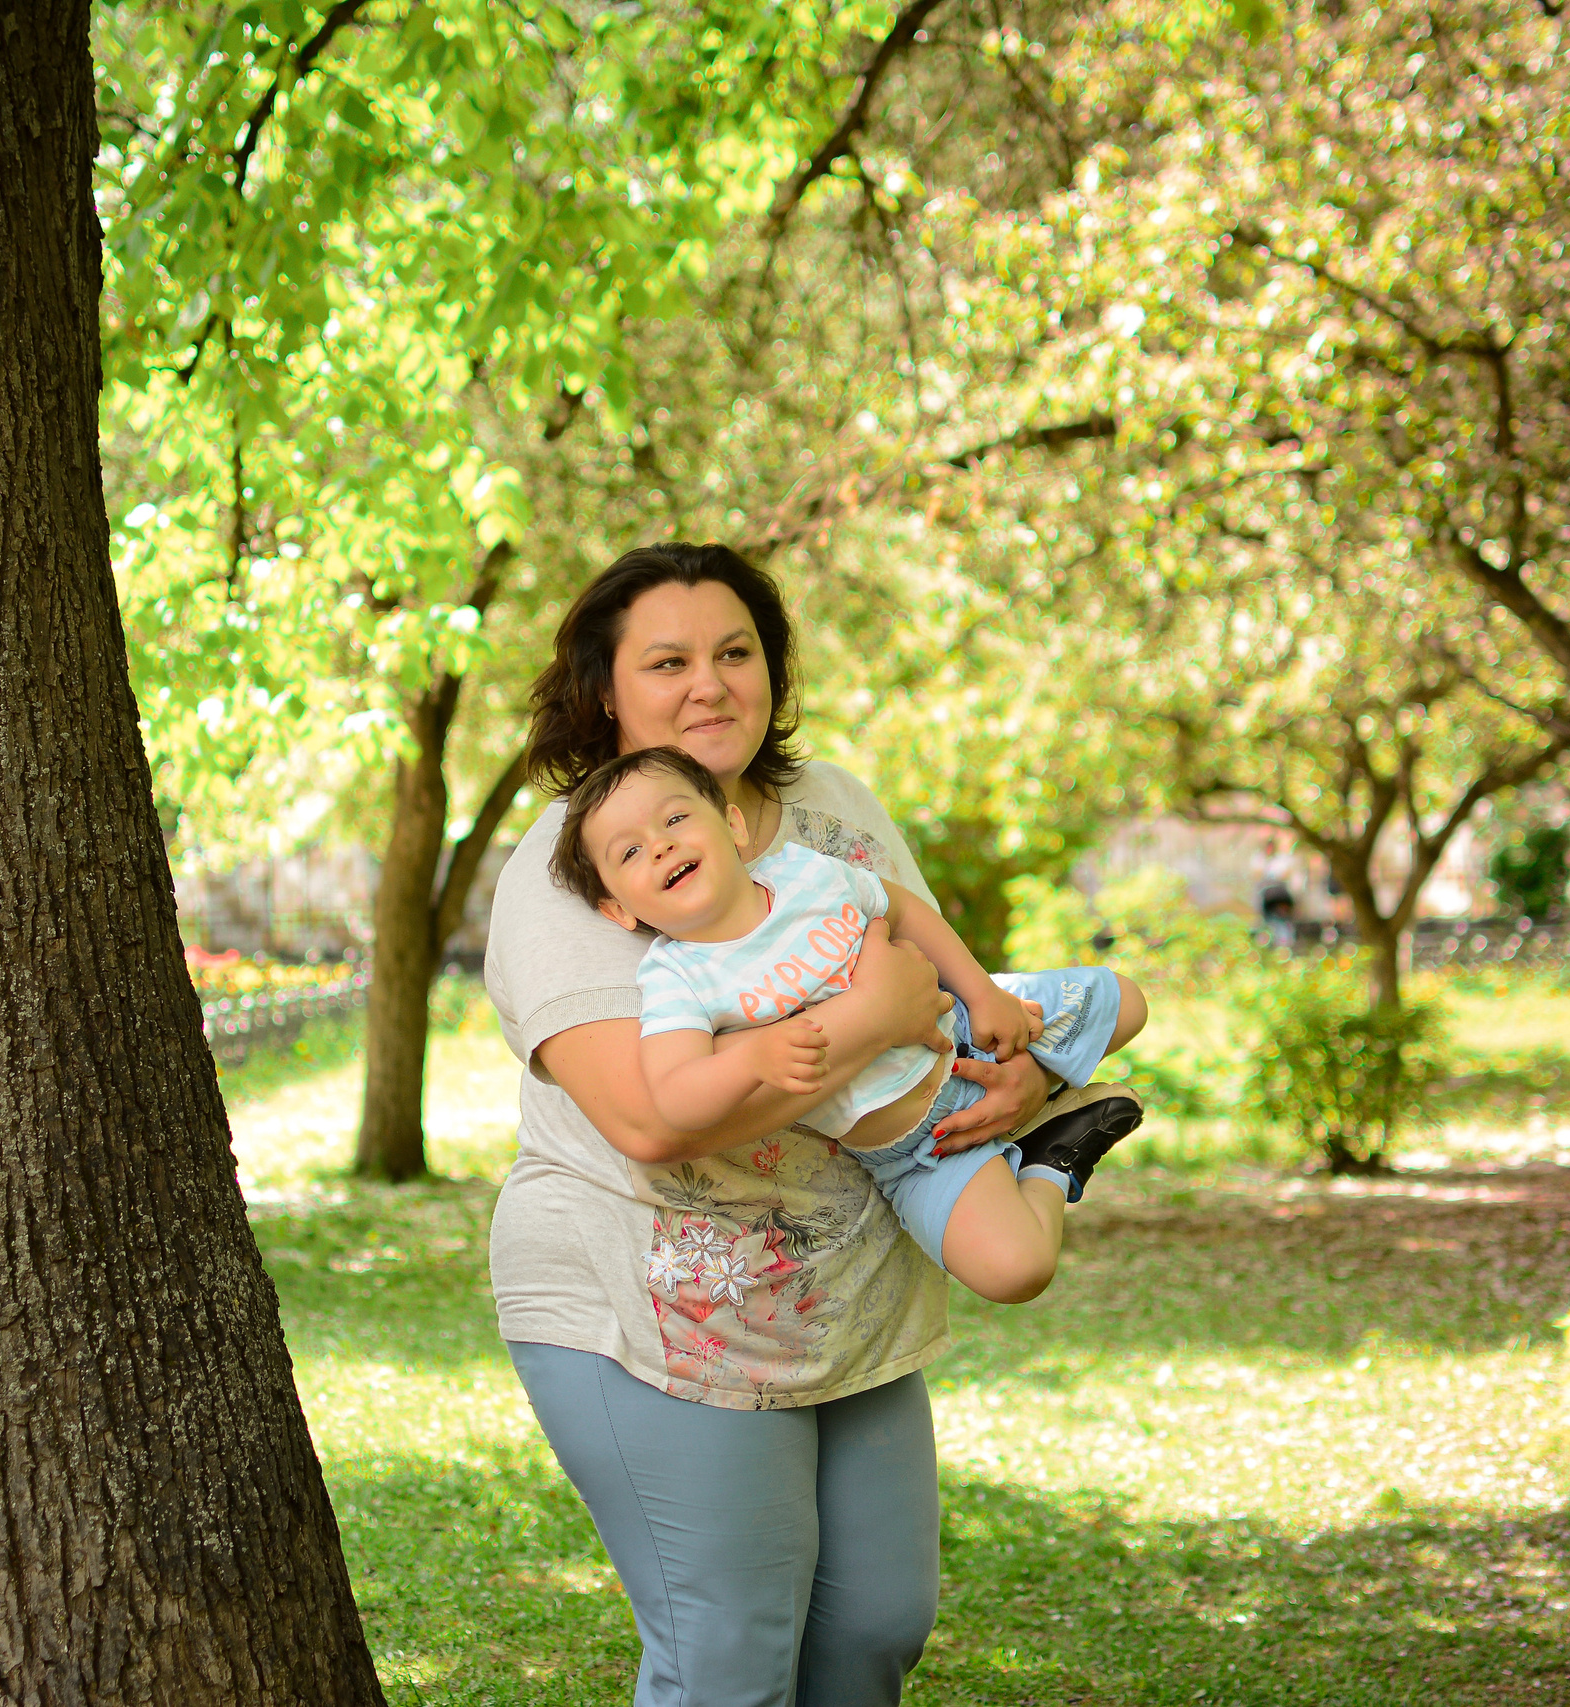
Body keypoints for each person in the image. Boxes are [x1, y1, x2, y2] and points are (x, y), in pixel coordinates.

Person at [484, 541, 1147, 1707]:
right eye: (669, 661)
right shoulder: (578, 856)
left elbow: (931, 988)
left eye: (736, 652)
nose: (710, 685)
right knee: (729, 1653)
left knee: (874, 1629)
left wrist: (1022, 1078)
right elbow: (648, 1120)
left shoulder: (831, 807)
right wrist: (867, 1019)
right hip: (659, 1308)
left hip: (845, 1286)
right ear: (605, 692)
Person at [549, 745, 1145, 1305]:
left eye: (675, 819)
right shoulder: (679, 977)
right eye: (628, 852)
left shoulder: (801, 873)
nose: (658, 845)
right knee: (1018, 1270)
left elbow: (902, 909)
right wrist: (749, 1061)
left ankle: (1036, 1084)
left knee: (1128, 1001)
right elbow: (676, 1097)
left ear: (732, 825)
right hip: (917, 1146)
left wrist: (983, 992)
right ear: (616, 908)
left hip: (962, 1024)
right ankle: (1050, 1155)